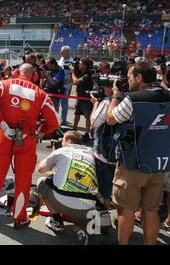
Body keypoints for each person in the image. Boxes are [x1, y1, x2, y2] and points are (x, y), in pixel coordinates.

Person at [0, 64, 60, 228]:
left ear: (16, 72)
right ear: (34, 76)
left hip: (5, 137)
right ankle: (19, 217)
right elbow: (55, 122)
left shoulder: (4, 84)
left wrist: (1, 123)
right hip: (27, 140)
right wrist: (40, 132)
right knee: (23, 181)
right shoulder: (40, 93)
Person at [106, 60, 170, 245]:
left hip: (133, 164)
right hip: (159, 164)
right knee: (151, 210)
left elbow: (111, 119)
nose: (128, 80)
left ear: (139, 77)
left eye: (130, 77)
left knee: (126, 209)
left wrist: (116, 96)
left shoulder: (133, 99)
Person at [36, 131, 98, 245]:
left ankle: (57, 221)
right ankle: (83, 229)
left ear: (68, 141)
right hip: (87, 207)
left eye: (63, 140)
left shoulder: (63, 150)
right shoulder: (91, 153)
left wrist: (54, 153)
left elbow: (41, 169)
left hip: (62, 201)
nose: (61, 142)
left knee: (41, 182)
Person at [90, 78, 117, 210]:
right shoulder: (129, 99)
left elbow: (94, 122)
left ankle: (103, 218)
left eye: (106, 87)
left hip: (105, 152)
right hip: (121, 151)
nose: (104, 89)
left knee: (103, 188)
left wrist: (95, 104)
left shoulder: (107, 102)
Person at [70, 58, 94, 142]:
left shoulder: (87, 74)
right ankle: (74, 129)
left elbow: (76, 82)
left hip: (86, 98)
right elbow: (72, 81)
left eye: (80, 64)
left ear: (85, 65)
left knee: (87, 116)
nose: (78, 65)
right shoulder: (80, 73)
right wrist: (73, 72)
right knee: (77, 114)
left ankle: (87, 133)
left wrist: (72, 72)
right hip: (79, 97)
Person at [57, 46, 74, 126]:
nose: (61, 53)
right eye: (61, 51)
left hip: (66, 86)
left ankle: (63, 120)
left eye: (63, 52)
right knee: (56, 103)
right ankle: (57, 119)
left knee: (64, 103)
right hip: (58, 84)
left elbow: (72, 75)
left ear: (68, 52)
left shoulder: (72, 62)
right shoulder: (61, 60)